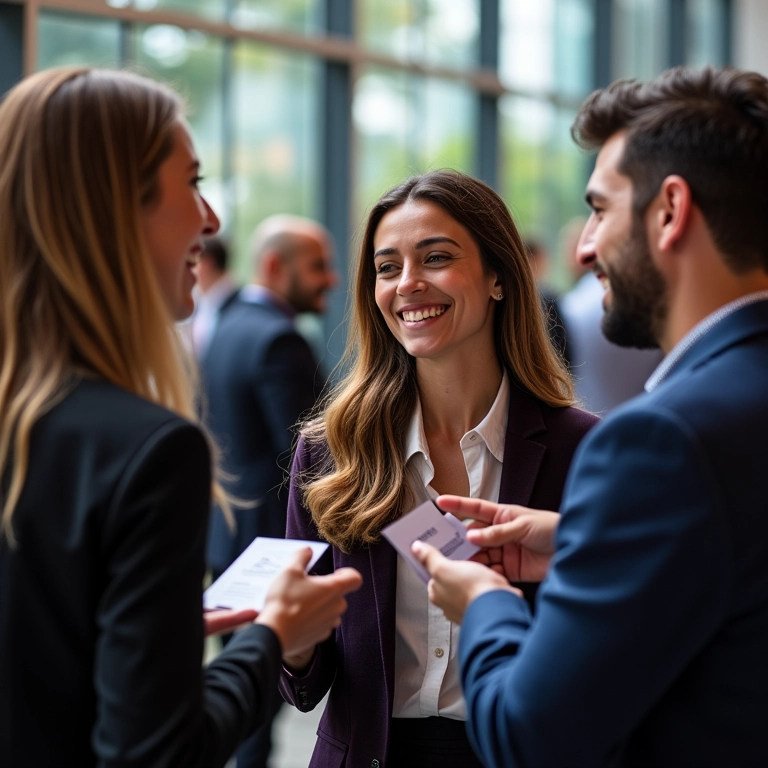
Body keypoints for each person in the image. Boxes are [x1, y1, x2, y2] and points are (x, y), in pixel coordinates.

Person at [0, 66, 362, 768]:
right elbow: (154, 752)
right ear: (115, 208)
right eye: (193, 182)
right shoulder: (146, 450)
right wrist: (270, 638)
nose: (211, 218)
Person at [414, 65, 768, 767]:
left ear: (670, 211)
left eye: (600, 209)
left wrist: (486, 603)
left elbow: (529, 737)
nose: (581, 248)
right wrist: (584, 538)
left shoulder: (660, 441)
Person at [278, 169, 599, 768]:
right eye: (387, 266)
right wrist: (293, 647)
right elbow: (303, 684)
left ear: (499, 277)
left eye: (436, 257)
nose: (408, 284)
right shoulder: (332, 452)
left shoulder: (586, 452)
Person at [201, 215, 336, 768]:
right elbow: (308, 459)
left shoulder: (225, 328)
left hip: (224, 538)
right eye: (317, 266)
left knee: (238, 691)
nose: (329, 279)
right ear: (275, 266)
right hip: (270, 548)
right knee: (256, 701)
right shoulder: (281, 340)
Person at [189, 234, 239, 360]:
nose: (189, 269)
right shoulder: (203, 304)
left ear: (206, 264)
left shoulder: (237, 309)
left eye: (192, 261)